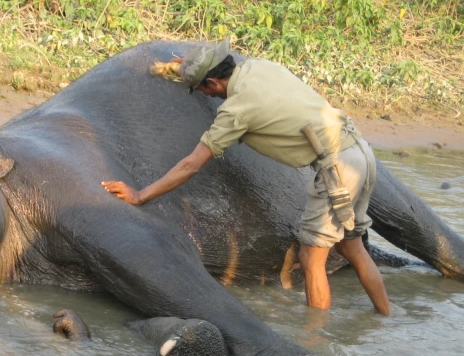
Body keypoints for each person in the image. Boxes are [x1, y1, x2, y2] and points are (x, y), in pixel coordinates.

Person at [102, 38, 391, 316]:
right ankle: (384, 317)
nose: (207, 96)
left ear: (214, 83)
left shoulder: (236, 109)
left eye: (204, 90)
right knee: (351, 246)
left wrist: (140, 195)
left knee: (311, 260)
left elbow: (191, 165)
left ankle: (316, 343)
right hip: (360, 152)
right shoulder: (260, 66)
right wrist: (183, 66)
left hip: (336, 169)